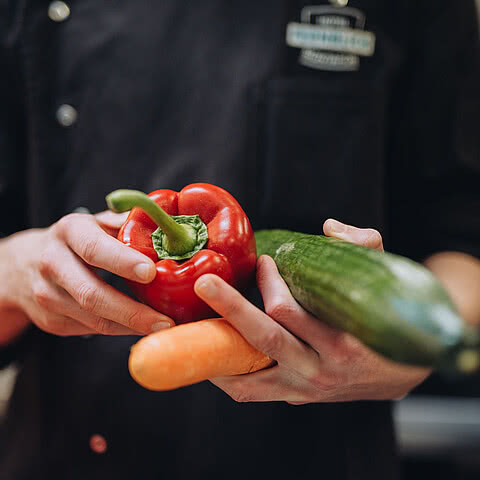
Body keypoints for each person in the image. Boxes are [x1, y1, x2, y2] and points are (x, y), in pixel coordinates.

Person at [1, 1, 479, 479]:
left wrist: (412, 347)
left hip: (318, 454)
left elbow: (463, 233)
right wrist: (16, 273)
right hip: (65, 450)